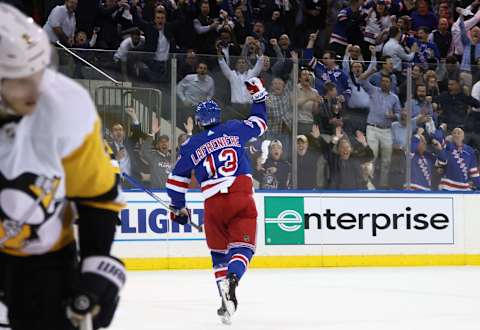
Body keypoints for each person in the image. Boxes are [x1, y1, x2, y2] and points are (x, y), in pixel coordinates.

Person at [0, 4, 125, 330]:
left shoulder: (67, 106)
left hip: (48, 259)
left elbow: (97, 195)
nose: (38, 88)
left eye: (39, 71)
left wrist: (97, 264)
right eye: (22, 80)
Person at [166, 78, 268, 325]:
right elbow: (260, 123)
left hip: (213, 204)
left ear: (199, 122)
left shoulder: (190, 145)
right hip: (241, 196)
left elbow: (175, 181)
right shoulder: (234, 127)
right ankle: (233, 279)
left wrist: (179, 207)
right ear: (219, 116)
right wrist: (259, 97)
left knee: (219, 254)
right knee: (243, 248)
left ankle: (225, 299)